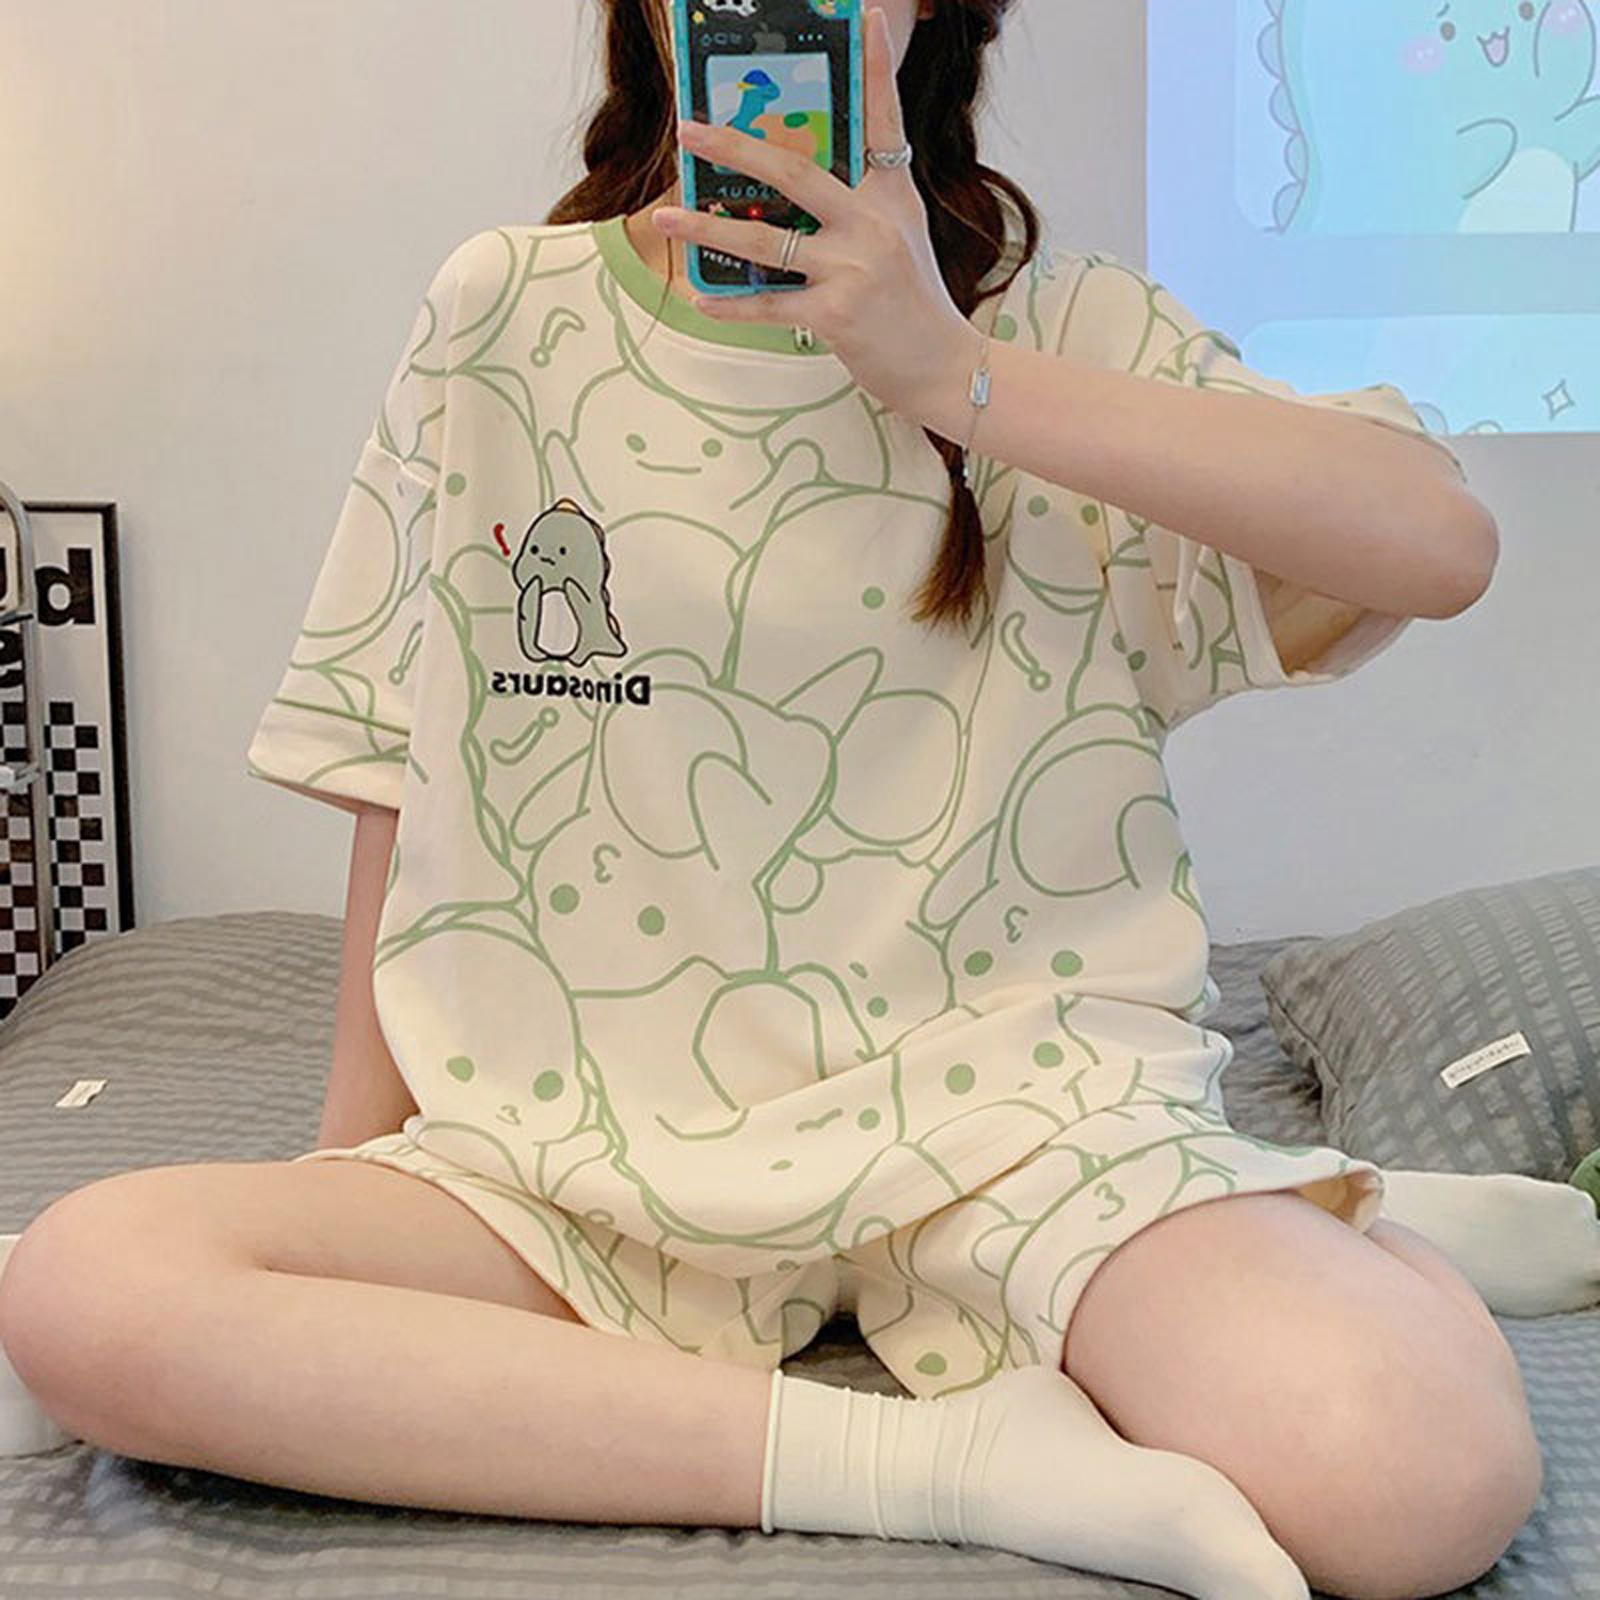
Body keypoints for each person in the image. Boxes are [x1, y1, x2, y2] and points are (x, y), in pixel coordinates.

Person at [0, 3, 1548, 1597]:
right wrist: (339, 1182)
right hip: (573, 1156)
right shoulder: (501, 315)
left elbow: (1438, 545)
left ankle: (1313, 1222)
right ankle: (954, 1464)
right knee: (87, 1291)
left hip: (1019, 1129)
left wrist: (953, 373)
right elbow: (400, 755)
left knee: (1417, 1484)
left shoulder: (1060, 331)